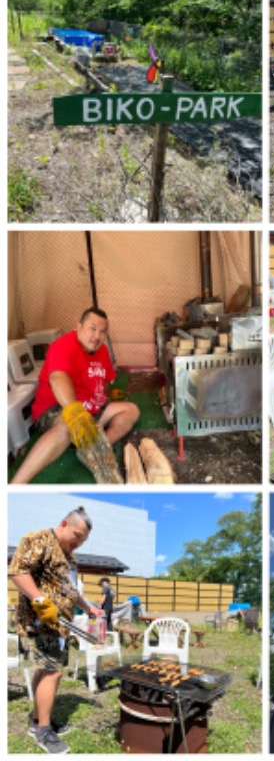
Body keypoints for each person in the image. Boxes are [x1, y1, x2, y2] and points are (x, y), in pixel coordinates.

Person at [9, 506, 104, 754]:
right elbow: (17, 571)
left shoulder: (70, 557)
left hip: (59, 626)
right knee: (53, 673)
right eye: (77, 535)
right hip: (39, 623)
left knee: (46, 672)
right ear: (63, 524)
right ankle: (43, 730)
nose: (79, 543)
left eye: (83, 540)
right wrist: (39, 600)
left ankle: (37, 722)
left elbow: (71, 591)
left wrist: (88, 607)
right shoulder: (38, 539)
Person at [10, 307, 140, 484]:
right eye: (92, 328)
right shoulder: (63, 345)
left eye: (102, 332)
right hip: (57, 409)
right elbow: (58, 378)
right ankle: (15, 486)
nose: (97, 336)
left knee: (131, 410)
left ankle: (92, 451)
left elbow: (105, 381)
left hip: (90, 410)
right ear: (79, 327)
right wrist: (75, 413)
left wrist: (108, 395)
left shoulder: (102, 351)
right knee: (66, 428)